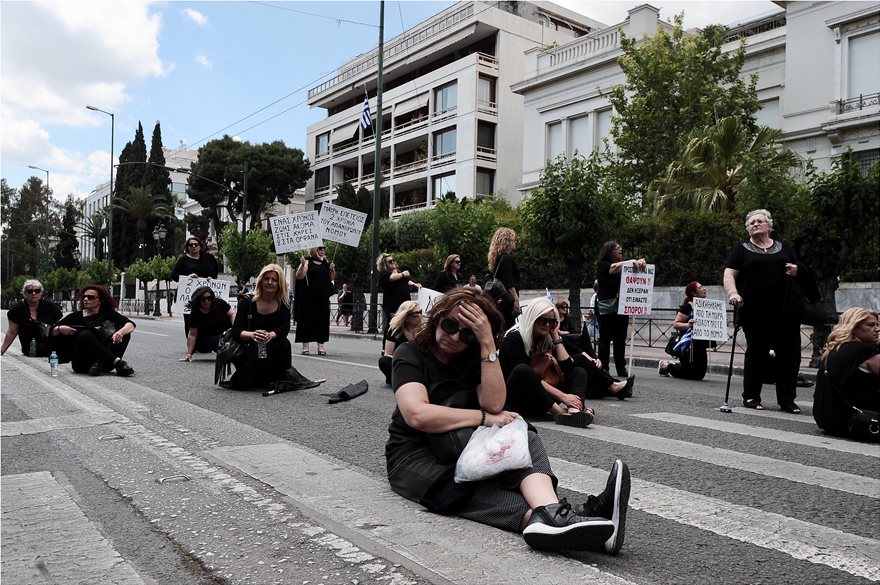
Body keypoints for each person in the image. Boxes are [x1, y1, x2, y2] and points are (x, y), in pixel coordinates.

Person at [385, 287, 631, 554]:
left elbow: (494, 404)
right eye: (449, 325)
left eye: (467, 334)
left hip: (462, 448)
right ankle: (570, 519)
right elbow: (417, 414)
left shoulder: (474, 357)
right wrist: (484, 418)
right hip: (415, 456)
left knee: (520, 433)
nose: (454, 336)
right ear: (437, 317)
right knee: (463, 488)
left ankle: (555, 516)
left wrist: (488, 344)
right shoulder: (410, 353)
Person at [724, 209, 812, 414]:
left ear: (769, 226)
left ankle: (787, 400)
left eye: (759, 221)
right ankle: (751, 396)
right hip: (755, 310)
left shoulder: (784, 248)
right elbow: (729, 274)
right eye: (751, 222)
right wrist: (733, 294)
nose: (755, 224)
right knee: (757, 353)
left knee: (790, 355)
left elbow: (800, 268)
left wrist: (797, 270)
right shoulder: (742, 250)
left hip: (786, 310)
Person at [500, 299, 595, 427]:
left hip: (541, 398)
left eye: (552, 321)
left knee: (579, 372)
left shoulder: (545, 337)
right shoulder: (514, 337)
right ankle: (560, 412)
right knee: (523, 369)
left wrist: (556, 337)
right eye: (542, 320)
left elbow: (568, 368)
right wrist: (563, 397)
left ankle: (575, 411)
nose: (547, 325)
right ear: (532, 318)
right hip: (517, 398)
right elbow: (528, 376)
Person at [219, 264, 292, 390]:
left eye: (274, 280)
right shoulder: (247, 302)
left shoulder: (283, 303)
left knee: (284, 343)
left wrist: (271, 335)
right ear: (261, 280)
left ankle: (273, 375)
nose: (270, 282)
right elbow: (236, 331)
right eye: (266, 279)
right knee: (240, 383)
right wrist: (252, 335)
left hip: (273, 345)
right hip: (250, 346)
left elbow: (284, 328)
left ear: (279, 283)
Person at [813, 308, 879, 441]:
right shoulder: (866, 350)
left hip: (830, 421)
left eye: (878, 325)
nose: (877, 329)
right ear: (853, 328)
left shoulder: (835, 349)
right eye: (871, 325)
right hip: (861, 421)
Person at [49, 285, 136, 376]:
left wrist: (120, 333)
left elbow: (131, 324)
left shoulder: (107, 313)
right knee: (85, 335)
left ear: (100, 300)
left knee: (125, 333)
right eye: (84, 297)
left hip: (105, 365)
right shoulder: (75, 316)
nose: (86, 299)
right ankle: (117, 362)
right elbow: (51, 330)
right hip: (82, 364)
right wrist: (59, 329)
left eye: (90, 297)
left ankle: (100, 362)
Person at [596, 241, 646, 378]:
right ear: (609, 251)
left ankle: (620, 367)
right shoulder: (603, 265)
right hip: (606, 306)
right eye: (617, 248)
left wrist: (641, 262)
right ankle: (604, 366)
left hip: (622, 306)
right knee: (605, 338)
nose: (620, 250)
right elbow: (614, 268)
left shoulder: (625, 266)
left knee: (620, 338)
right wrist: (632, 261)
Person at [658, 282, 712, 380]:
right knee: (688, 374)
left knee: (699, 375)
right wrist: (688, 325)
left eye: (703, 287)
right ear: (694, 293)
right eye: (700, 288)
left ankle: (675, 365)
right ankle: (666, 366)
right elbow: (676, 324)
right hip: (688, 345)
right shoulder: (688, 307)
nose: (704, 289)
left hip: (700, 344)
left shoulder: (706, 306)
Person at [171, 236, 219, 338]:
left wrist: (212, 278)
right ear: (187, 247)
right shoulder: (183, 260)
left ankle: (205, 341)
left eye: (196, 245)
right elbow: (174, 275)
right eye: (191, 245)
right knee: (189, 319)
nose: (193, 246)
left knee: (207, 317)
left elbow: (215, 271)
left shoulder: (209, 258)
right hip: (189, 295)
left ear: (200, 247)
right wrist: (187, 278)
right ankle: (191, 342)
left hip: (206, 294)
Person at [1, 279, 62, 357]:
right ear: (25, 293)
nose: (34, 293)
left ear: (41, 293)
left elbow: (60, 326)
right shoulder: (17, 309)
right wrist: (2, 350)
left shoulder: (51, 307)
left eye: (37, 291)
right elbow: (12, 332)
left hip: (51, 350)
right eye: (30, 291)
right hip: (30, 350)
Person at [295, 246, 335, 355]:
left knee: (321, 320)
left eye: (324, 249)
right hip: (308, 296)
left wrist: (332, 269)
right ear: (314, 250)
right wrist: (303, 265)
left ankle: (321, 346)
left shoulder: (325, 263)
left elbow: (330, 279)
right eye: (320, 248)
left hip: (322, 296)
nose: (323, 251)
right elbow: (299, 276)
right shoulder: (307, 261)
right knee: (306, 320)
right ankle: (305, 346)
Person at [178, 286, 235, 362]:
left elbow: (232, 314)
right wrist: (189, 354)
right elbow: (192, 334)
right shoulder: (195, 313)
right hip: (206, 340)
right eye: (203, 299)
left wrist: (235, 329)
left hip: (225, 334)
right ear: (198, 300)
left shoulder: (220, 303)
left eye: (209, 298)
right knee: (218, 341)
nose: (206, 301)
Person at [378, 300, 424, 385]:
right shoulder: (395, 330)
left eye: (420, 312)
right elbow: (388, 354)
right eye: (415, 314)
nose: (420, 316)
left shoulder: (425, 330)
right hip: (401, 362)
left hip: (419, 364)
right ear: (406, 317)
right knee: (384, 361)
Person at [378, 252, 421, 336]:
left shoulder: (398, 273)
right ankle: (386, 346)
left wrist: (414, 284)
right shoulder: (384, 274)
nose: (393, 262)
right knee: (393, 325)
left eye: (393, 260)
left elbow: (406, 281)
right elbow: (392, 278)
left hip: (404, 303)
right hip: (393, 305)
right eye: (390, 261)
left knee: (405, 324)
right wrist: (402, 274)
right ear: (384, 264)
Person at [487, 227, 520, 330]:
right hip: (507, 301)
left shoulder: (497, 258)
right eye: (513, 239)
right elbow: (508, 281)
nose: (515, 242)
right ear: (508, 241)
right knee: (509, 328)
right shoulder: (507, 258)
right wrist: (516, 300)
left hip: (500, 301)